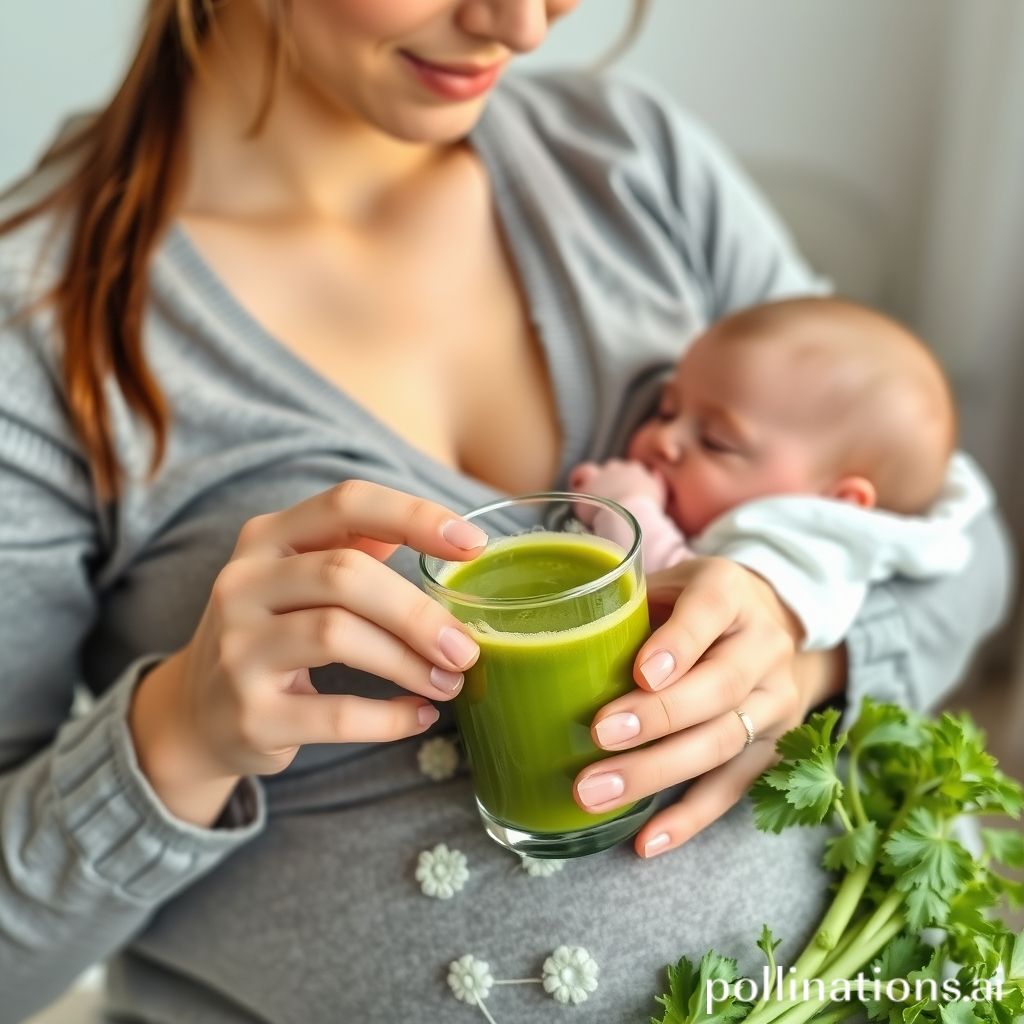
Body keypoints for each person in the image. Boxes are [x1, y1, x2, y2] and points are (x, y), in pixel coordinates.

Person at [0, 2, 1011, 1021]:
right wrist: (177, 735)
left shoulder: (631, 161)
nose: (523, 26)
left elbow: (955, 540)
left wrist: (796, 648)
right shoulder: (35, 338)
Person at [568, 296, 993, 652]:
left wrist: (626, 508)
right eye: (668, 410)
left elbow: (687, 605)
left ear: (836, 504)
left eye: (717, 441)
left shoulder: (806, 548)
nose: (665, 439)